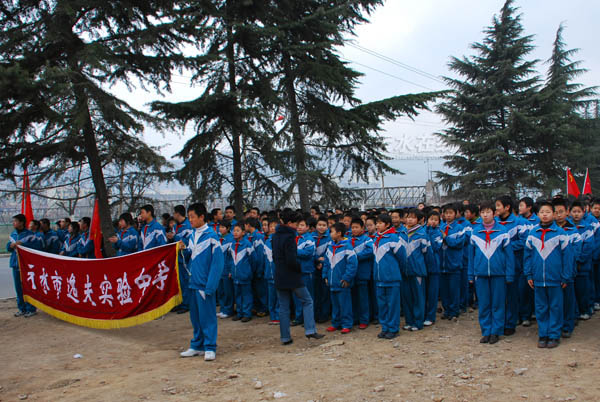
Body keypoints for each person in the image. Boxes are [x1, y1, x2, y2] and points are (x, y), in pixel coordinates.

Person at [179, 203, 224, 361]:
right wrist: (183, 249)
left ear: (202, 217)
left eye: (192, 217)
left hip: (204, 284)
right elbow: (191, 255)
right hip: (193, 282)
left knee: (208, 316)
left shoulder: (212, 236)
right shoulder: (192, 235)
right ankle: (197, 345)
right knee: (196, 317)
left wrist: (210, 286)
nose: (190, 220)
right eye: (189, 217)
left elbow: (217, 263)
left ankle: (210, 346)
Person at [272, 210, 324, 345]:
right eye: (296, 223)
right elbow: (291, 259)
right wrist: (298, 269)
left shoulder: (275, 236)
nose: (297, 226)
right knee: (308, 301)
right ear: (290, 223)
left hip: (279, 274)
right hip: (292, 275)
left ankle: (285, 337)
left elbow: (275, 257)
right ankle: (310, 330)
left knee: (283, 307)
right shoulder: (290, 237)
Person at [524, 200, 570, 349]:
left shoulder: (560, 233)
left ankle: (554, 335)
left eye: (548, 212)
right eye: (542, 212)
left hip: (555, 279)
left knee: (556, 307)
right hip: (538, 278)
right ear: (538, 214)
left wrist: (565, 276)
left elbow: (568, 257)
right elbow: (527, 256)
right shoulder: (532, 234)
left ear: (554, 214)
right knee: (541, 308)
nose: (545, 215)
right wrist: (529, 274)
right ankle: (543, 334)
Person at [468, 201, 515, 345]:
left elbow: (509, 256)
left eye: (488, 212)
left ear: (494, 214)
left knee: (498, 303)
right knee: (484, 304)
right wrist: (471, 274)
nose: (485, 215)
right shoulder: (475, 232)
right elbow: (471, 256)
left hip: (498, 274)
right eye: (482, 212)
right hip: (481, 274)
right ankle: (486, 331)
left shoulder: (502, 231)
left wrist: (509, 274)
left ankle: (496, 331)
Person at [373, 214, 407, 339]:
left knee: (392, 304)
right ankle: (385, 327)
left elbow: (402, 257)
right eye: (377, 223)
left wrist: (396, 271)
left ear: (387, 225)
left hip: (392, 278)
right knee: (382, 305)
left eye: (380, 223)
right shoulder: (376, 238)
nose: (377, 225)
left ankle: (393, 328)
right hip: (379, 278)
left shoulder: (393, 238)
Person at [402, 208, 434, 331]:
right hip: (405, 271)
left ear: (419, 220)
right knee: (407, 297)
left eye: (413, 217)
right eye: (408, 217)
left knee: (418, 297)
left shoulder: (422, 234)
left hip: (417, 271)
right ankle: (409, 321)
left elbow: (428, 254)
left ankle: (418, 322)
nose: (410, 219)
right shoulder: (401, 234)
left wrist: (427, 269)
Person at [323, 222, 358, 334]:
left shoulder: (347, 247)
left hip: (342, 282)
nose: (330, 234)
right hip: (332, 282)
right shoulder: (330, 247)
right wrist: (325, 276)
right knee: (335, 305)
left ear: (339, 233)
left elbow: (352, 264)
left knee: (345, 304)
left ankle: (347, 324)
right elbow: (326, 263)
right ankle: (335, 323)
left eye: (332, 232)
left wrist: (347, 278)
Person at [553, 198, 580, 338]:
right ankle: (556, 324)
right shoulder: (550, 230)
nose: (558, 215)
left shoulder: (573, 231)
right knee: (555, 302)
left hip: (568, 271)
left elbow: (576, 252)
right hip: (553, 272)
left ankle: (568, 325)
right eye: (556, 212)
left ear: (567, 212)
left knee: (568, 299)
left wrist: (566, 266)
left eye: (561, 212)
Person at [7, 214, 43, 317]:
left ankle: (31, 308)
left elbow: (37, 246)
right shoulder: (13, 234)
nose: (13, 223)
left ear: (21, 222)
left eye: (15, 221)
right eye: (13, 221)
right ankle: (21, 308)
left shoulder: (30, 235)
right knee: (18, 288)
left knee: (28, 287)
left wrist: (22, 244)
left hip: (26, 265)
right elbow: (8, 248)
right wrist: (10, 246)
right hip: (15, 264)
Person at [569, 200, 595, 320]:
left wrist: (579, 259)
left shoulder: (587, 228)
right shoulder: (567, 227)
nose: (576, 214)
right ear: (569, 212)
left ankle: (585, 310)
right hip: (570, 264)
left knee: (583, 289)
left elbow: (588, 247)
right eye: (574, 211)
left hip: (583, 265)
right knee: (572, 290)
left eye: (579, 212)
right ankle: (574, 312)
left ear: (584, 212)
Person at [440, 204, 465, 321]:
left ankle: (454, 310)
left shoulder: (459, 228)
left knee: (454, 289)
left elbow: (458, 244)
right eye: (446, 213)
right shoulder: (440, 227)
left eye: (451, 213)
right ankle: (446, 310)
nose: (448, 215)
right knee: (444, 290)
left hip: (454, 264)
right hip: (442, 264)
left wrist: (446, 238)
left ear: (456, 214)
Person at [349, 218, 374, 329]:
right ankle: (355, 318)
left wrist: (354, 256)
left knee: (363, 298)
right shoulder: (348, 240)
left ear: (362, 228)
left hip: (362, 273)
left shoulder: (367, 239)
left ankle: (364, 319)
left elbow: (370, 251)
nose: (354, 229)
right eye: (352, 227)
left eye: (356, 227)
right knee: (353, 297)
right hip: (351, 274)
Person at [168, 205, 193, 313]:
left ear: (178, 213)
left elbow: (188, 241)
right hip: (176, 257)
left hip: (185, 257)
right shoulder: (175, 226)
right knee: (178, 282)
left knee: (185, 281)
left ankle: (186, 304)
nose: (173, 215)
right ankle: (180, 302)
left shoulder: (188, 226)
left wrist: (175, 238)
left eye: (174, 213)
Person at [291, 216, 316, 326]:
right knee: (296, 296)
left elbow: (307, 254)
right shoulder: (294, 238)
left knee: (308, 296)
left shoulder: (309, 239)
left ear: (308, 227)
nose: (299, 227)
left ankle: (308, 319)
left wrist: (293, 251)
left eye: (302, 225)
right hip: (294, 271)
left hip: (306, 271)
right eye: (298, 225)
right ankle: (298, 317)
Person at [230, 223, 256, 322]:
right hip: (235, 275)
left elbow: (254, 260)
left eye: (238, 231)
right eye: (234, 231)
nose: (235, 233)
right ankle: (239, 313)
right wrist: (231, 271)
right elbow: (230, 259)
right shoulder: (232, 244)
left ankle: (247, 313)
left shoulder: (247, 244)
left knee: (246, 295)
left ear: (243, 232)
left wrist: (249, 271)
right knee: (238, 295)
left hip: (245, 275)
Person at [244, 218, 268, 317]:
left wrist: (259, 269)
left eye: (245, 225)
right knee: (254, 289)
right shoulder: (249, 236)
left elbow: (260, 254)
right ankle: (256, 307)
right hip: (251, 268)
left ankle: (263, 308)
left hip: (258, 268)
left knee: (261, 290)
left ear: (249, 225)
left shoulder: (258, 236)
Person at [313, 215, 332, 323]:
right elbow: (311, 251)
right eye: (319, 225)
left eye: (324, 225)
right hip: (314, 267)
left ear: (327, 227)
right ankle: (316, 314)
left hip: (325, 268)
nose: (321, 227)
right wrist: (316, 260)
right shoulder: (311, 237)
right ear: (316, 226)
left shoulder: (329, 238)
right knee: (316, 292)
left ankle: (324, 314)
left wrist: (322, 262)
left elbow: (329, 252)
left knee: (325, 293)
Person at [425, 211, 443, 326]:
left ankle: (431, 316)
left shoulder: (438, 233)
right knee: (424, 293)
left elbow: (436, 247)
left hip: (434, 266)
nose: (433, 221)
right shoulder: (423, 231)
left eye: (436, 220)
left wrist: (428, 236)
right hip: (424, 266)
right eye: (431, 219)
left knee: (432, 293)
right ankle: (423, 314)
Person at [264, 218, 280, 324]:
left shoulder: (281, 241)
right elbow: (264, 258)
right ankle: (272, 315)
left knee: (279, 297)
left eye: (275, 226)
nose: (273, 228)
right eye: (271, 226)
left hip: (279, 274)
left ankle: (278, 316)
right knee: (271, 297)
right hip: (269, 274)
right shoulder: (267, 241)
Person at [217, 221, 235, 319]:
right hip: (219, 269)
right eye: (220, 227)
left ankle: (229, 310)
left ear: (228, 228)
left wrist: (230, 270)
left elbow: (232, 257)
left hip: (226, 269)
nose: (220, 229)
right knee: (220, 290)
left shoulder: (231, 239)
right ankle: (223, 309)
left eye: (223, 227)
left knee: (228, 291)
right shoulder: (218, 238)